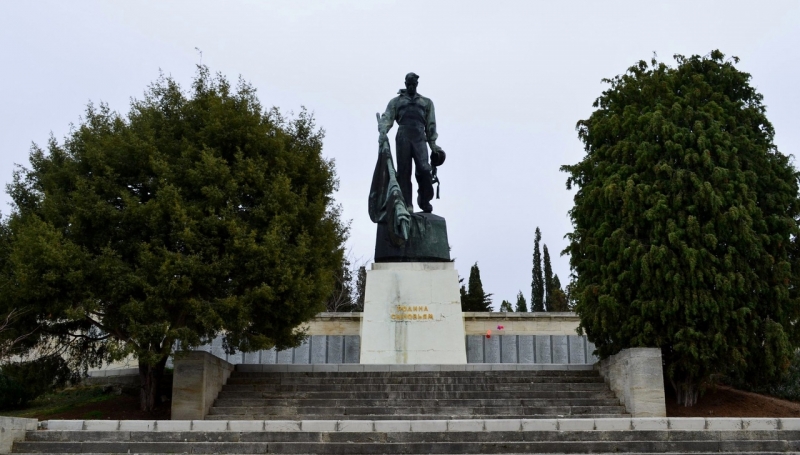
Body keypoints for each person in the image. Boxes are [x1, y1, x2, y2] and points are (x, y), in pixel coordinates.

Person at [378, 72, 444, 213]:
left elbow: (431, 125)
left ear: (417, 85)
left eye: (413, 84)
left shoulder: (426, 102)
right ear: (405, 84)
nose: (411, 87)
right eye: (409, 84)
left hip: (420, 137)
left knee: (425, 170)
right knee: (404, 172)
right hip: (403, 137)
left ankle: (424, 199)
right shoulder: (396, 101)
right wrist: (383, 130)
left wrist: (433, 146)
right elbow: (387, 117)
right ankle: (407, 204)